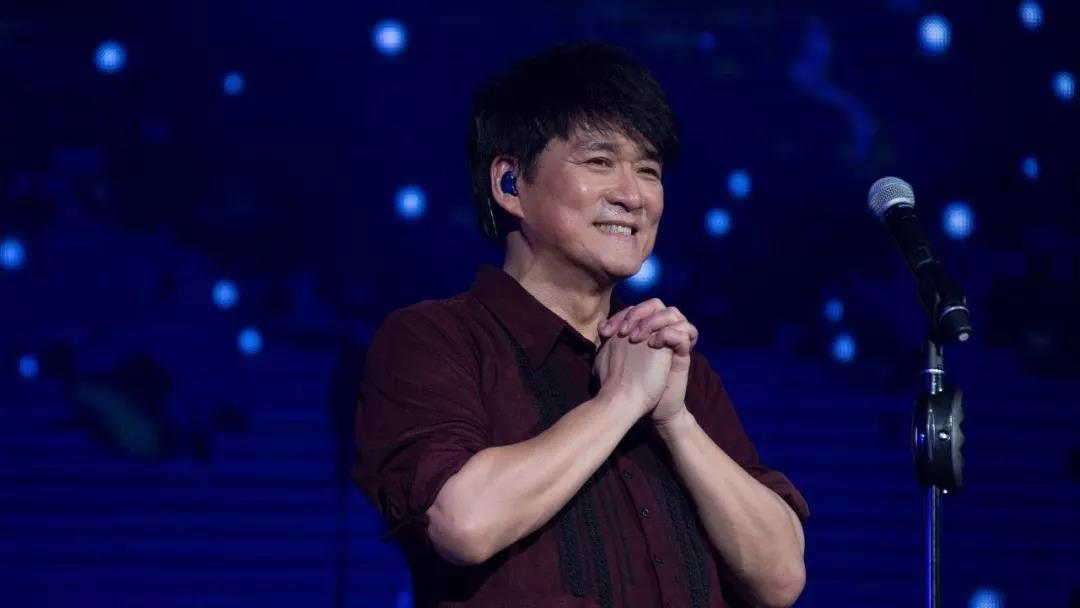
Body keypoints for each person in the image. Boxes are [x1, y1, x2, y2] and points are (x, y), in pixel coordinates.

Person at [354, 43, 809, 608]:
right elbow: (463, 522)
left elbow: (781, 577)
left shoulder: (672, 365)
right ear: (510, 184)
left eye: (649, 170)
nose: (634, 195)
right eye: (599, 161)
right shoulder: (435, 339)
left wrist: (675, 420)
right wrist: (620, 401)